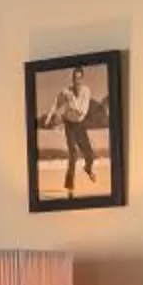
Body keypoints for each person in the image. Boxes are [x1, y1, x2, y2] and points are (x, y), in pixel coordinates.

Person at [43, 67, 101, 198]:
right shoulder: (66, 91)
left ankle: (88, 168)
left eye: (80, 78)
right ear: (72, 79)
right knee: (73, 155)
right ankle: (70, 187)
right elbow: (55, 104)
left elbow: (81, 111)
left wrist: (70, 100)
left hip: (80, 124)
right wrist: (48, 118)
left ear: (82, 79)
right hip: (69, 125)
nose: (77, 81)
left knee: (90, 155)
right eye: (75, 78)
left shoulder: (86, 91)